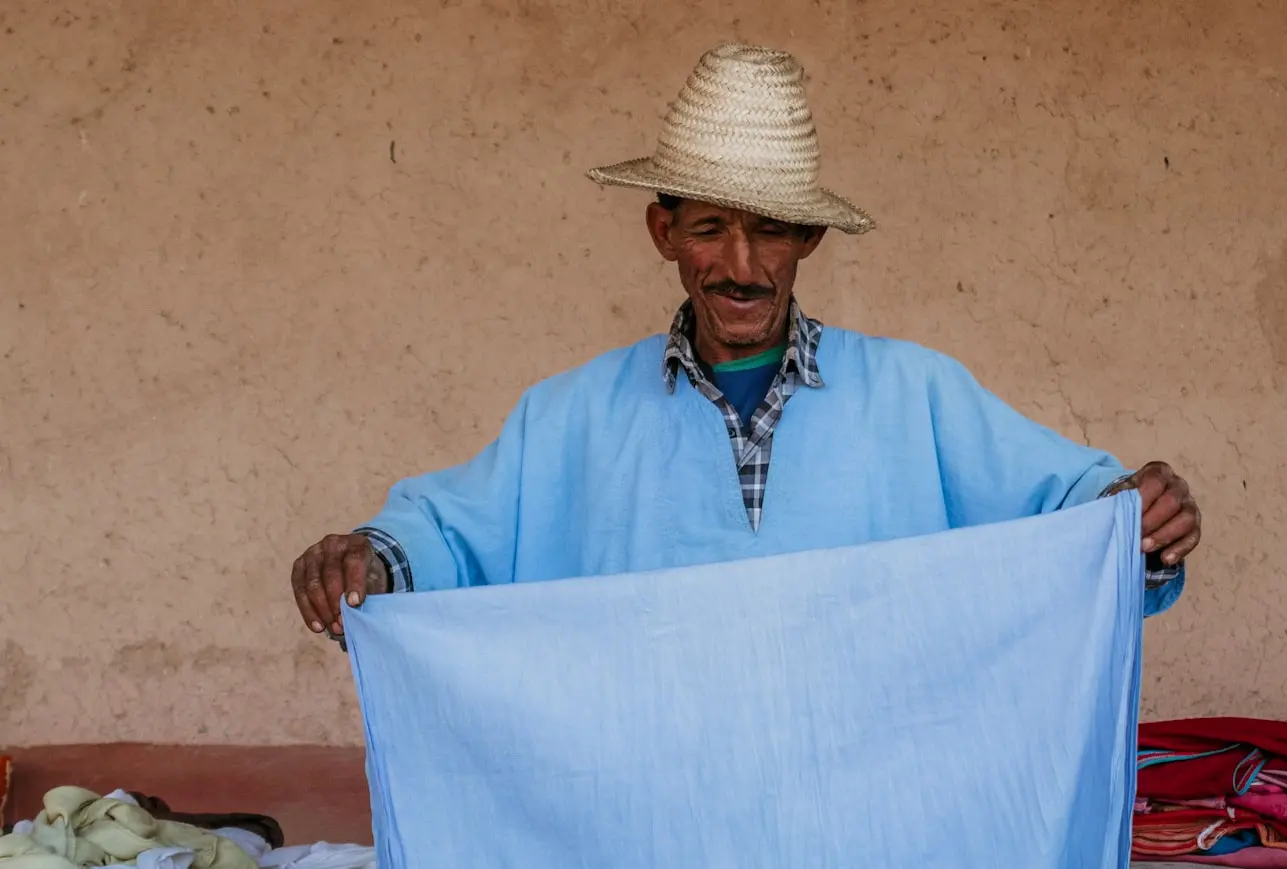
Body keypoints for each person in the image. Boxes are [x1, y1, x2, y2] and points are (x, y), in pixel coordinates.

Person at [289, 43, 1202, 643]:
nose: (740, 264)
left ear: (810, 239)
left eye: (770, 230)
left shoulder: (917, 395)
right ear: (661, 232)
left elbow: (1073, 507)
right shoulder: (567, 418)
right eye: (710, 227)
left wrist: (1138, 516)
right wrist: (371, 561)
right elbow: (450, 533)